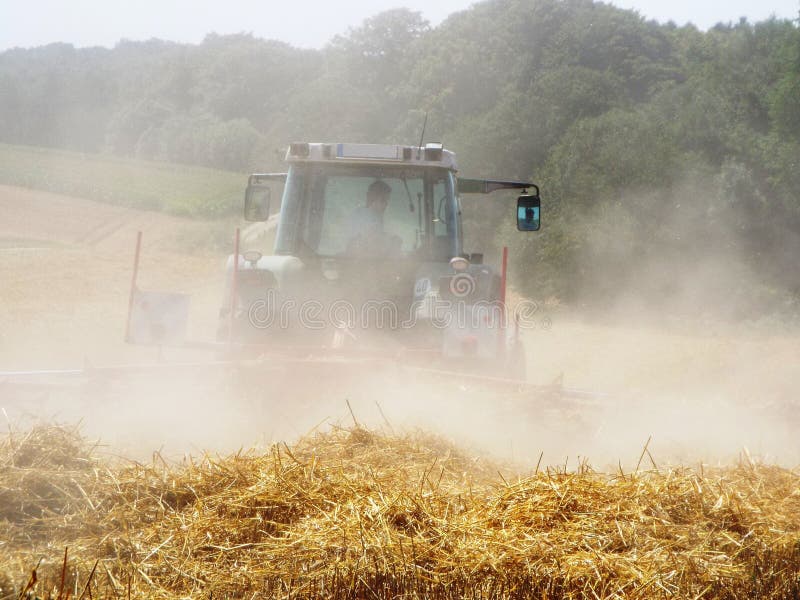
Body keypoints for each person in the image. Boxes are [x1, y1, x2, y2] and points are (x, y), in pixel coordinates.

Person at [346, 180, 398, 255]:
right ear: (373, 199)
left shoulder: (376, 216)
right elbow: (370, 241)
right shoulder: (363, 216)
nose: (386, 204)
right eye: (383, 200)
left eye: (387, 200)